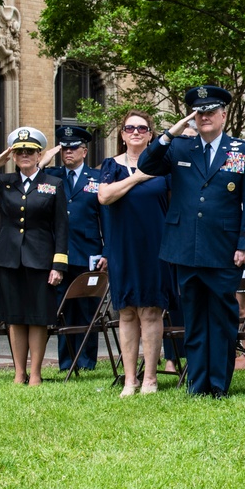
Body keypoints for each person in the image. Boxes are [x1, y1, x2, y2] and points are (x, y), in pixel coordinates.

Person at [138, 85, 245, 398]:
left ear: (223, 115)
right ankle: (198, 384)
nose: (204, 117)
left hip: (223, 247)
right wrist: (170, 132)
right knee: (192, 317)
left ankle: (218, 384)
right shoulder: (179, 148)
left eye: (210, 111)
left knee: (221, 318)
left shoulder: (241, 150)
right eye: (199, 112)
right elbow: (146, 165)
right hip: (185, 247)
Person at [0, 127, 67, 386]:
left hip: (41, 259)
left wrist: (58, 264)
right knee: (14, 316)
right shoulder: (4, 182)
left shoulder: (53, 184)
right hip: (9, 258)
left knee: (38, 316)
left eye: (29, 151)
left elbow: (61, 227)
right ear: (13, 155)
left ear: (39, 154)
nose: (24, 155)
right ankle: (19, 372)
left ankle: (35, 373)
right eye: (19, 151)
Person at [98, 110, 179, 396]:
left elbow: (173, 205)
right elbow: (104, 196)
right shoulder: (111, 165)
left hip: (156, 247)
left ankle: (151, 379)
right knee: (127, 312)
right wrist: (136, 178)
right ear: (121, 135)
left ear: (150, 135)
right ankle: (130, 379)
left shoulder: (164, 167)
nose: (135, 132)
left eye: (142, 128)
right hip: (122, 248)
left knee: (151, 312)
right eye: (129, 128)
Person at [39, 126, 107, 373]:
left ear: (84, 151)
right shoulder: (51, 177)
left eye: (73, 148)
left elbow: (106, 217)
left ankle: (87, 361)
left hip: (88, 251)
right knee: (63, 310)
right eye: (64, 148)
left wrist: (107, 250)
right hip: (59, 254)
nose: (68, 152)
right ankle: (66, 362)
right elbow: (30, 185)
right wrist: (42, 162)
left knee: (87, 309)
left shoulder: (97, 178)